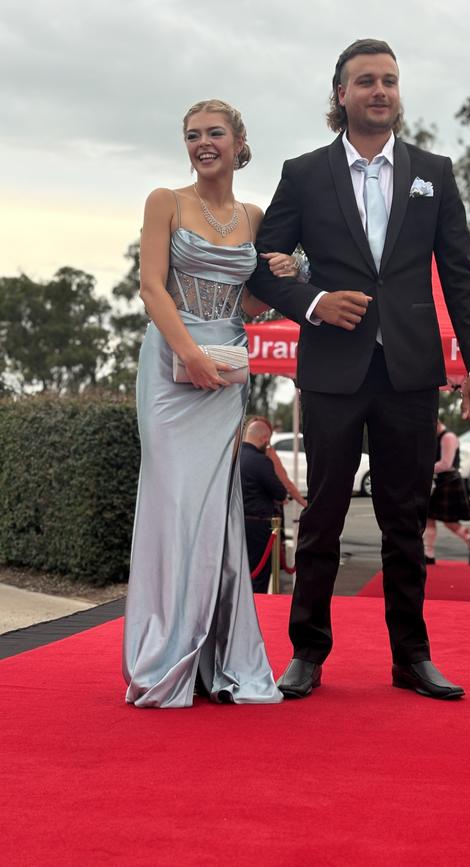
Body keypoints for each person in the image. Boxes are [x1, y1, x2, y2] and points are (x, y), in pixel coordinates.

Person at [248, 39, 470, 701]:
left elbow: (461, 275)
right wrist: (314, 301)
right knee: (323, 514)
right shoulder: (304, 174)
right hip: (332, 369)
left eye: (389, 80)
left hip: (412, 371)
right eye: (366, 81)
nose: (380, 91)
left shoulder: (434, 173)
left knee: (404, 519)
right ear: (341, 94)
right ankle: (307, 653)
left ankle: (411, 657)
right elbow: (264, 259)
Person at [122, 99, 297, 708]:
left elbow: (248, 305)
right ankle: (165, 651)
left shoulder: (254, 215)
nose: (203, 143)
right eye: (192, 135)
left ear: (238, 141)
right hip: (172, 371)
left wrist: (290, 268)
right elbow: (150, 285)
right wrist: (189, 352)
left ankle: (216, 655)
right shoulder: (165, 201)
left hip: (226, 371)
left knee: (215, 511)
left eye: (214, 133)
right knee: (173, 504)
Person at [423, 420, 470, 565]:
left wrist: (422, 468)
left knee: (450, 522)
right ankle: (428, 554)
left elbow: (446, 464)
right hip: (439, 481)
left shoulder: (448, 437)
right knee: (429, 518)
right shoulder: (436, 436)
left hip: (449, 481)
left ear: (435, 423)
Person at [240, 419, 288, 593]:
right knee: (258, 578)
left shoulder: (232, 457)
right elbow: (280, 492)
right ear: (265, 439)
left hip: (236, 523)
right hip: (259, 525)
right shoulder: (260, 461)